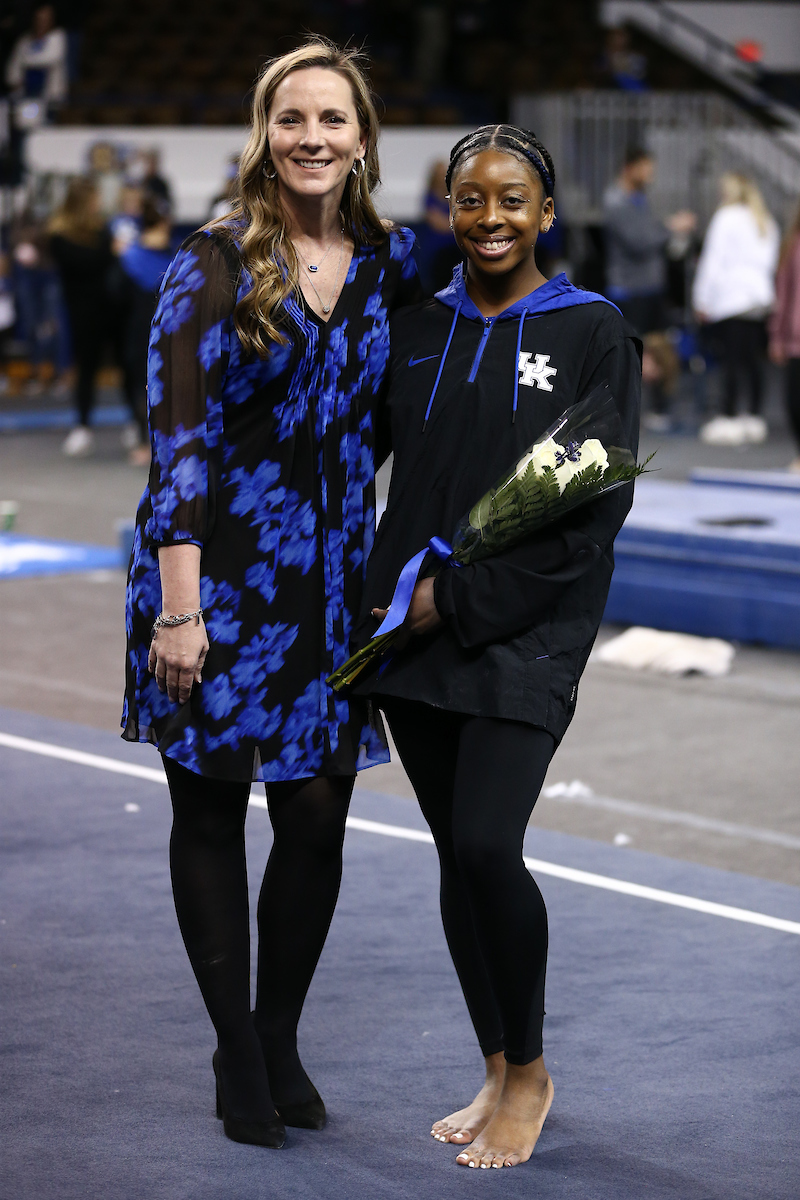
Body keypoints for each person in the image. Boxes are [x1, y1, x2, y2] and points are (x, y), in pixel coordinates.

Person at [121, 39, 420, 1149]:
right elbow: (179, 445)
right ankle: (234, 1051)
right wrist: (179, 607)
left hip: (332, 591)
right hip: (216, 581)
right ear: (264, 132)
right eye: (290, 118)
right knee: (208, 809)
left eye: (331, 120)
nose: (310, 138)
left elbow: (401, 421)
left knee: (316, 819)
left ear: (360, 137)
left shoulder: (389, 260)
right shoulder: (211, 260)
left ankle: (276, 1029)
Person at [353, 124, 641, 1168]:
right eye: (467, 199)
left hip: (525, 627)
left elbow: (589, 511)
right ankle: (490, 1061)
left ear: (545, 214)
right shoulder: (413, 327)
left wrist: (460, 600)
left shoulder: (590, 331)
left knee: (485, 844)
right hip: (411, 630)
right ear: (447, 210)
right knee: (454, 860)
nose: (488, 218)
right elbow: (363, 467)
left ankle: (529, 1070)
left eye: (510, 199)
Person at [603, 147, 694, 430]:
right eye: (646, 169)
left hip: (651, 289)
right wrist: (672, 227)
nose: (650, 176)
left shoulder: (640, 199)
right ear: (630, 168)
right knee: (630, 355)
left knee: (663, 351)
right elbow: (640, 242)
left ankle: (659, 410)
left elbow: (651, 235)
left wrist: (663, 229)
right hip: (628, 292)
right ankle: (624, 412)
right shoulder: (615, 201)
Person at [694, 173, 779, 446]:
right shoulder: (765, 220)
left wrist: (701, 299)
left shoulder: (726, 217)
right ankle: (753, 415)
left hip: (731, 299)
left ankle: (728, 416)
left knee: (730, 359)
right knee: (753, 359)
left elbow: (712, 260)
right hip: (759, 298)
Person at [48, 176, 113, 456]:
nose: (99, 204)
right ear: (81, 203)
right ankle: (82, 427)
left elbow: (102, 260)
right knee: (85, 368)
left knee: (131, 365)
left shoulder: (103, 231)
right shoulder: (59, 235)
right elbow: (89, 263)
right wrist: (110, 251)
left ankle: (140, 427)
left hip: (111, 307)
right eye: (94, 199)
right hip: (81, 311)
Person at [116, 195, 173, 465]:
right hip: (168, 328)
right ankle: (156, 441)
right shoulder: (179, 256)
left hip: (137, 329)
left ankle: (144, 440)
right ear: (165, 221)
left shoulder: (130, 257)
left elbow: (114, 295)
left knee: (141, 385)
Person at [769, 200, 800, 471]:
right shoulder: (793, 245)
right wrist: (776, 336)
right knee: (793, 401)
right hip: (794, 341)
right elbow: (783, 293)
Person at [5, 4, 68, 126]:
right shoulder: (25, 40)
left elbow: (52, 58)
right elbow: (14, 64)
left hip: (48, 96)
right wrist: (14, 79)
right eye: (39, 19)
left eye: (46, 19)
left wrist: (27, 61)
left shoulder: (57, 37)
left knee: (45, 129)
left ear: (51, 20)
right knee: (25, 127)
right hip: (25, 95)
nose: (42, 23)